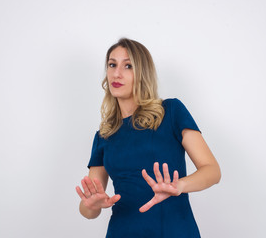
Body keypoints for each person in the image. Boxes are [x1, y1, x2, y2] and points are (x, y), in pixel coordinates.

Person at [75, 38, 221, 237]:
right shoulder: (104, 135)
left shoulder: (171, 112)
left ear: (142, 73)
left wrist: (179, 186)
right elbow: (89, 210)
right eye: (112, 64)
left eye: (128, 66)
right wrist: (91, 204)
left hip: (174, 231)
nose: (116, 73)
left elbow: (212, 171)